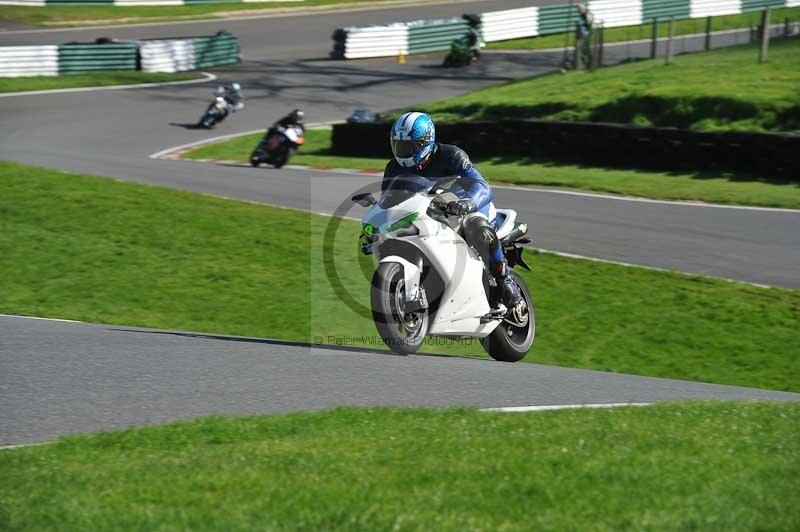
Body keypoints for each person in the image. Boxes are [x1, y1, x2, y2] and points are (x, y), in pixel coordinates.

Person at [383, 112, 522, 309]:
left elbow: (481, 184)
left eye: (409, 146)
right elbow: (388, 201)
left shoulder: (452, 155)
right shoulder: (393, 168)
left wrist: (467, 203)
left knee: (476, 225)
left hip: (464, 209)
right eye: (399, 146)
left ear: (426, 141)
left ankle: (504, 280)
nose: (403, 152)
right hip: (427, 215)